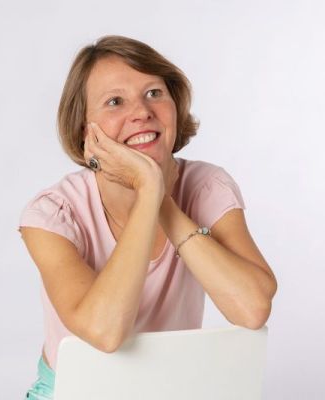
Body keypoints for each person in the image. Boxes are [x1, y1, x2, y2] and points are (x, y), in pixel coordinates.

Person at [17, 35, 277, 399]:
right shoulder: (53, 213)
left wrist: (159, 198)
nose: (141, 112)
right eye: (115, 101)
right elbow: (104, 333)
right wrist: (149, 189)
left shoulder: (206, 186)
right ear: (85, 130)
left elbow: (252, 309)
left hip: (170, 390)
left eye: (154, 93)